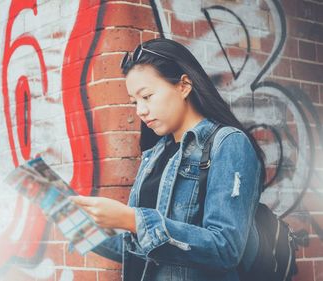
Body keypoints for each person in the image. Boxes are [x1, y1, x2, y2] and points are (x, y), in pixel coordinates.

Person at [70, 38, 265, 281]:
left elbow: (225, 248)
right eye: (135, 102)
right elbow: (144, 252)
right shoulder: (155, 154)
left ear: (183, 86)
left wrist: (133, 220)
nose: (140, 110)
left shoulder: (228, 143)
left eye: (147, 96)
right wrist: (81, 227)